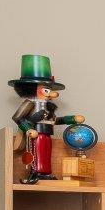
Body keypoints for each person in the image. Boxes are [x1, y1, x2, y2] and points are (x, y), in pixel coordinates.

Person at [9, 54, 83, 183]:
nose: (52, 94)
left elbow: (55, 121)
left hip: (47, 134)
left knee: (46, 154)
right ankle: (36, 172)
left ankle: (46, 173)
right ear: (32, 89)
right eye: (46, 90)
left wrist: (72, 119)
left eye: (49, 90)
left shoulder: (48, 106)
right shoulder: (30, 103)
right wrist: (28, 129)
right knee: (37, 152)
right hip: (36, 134)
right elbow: (18, 117)